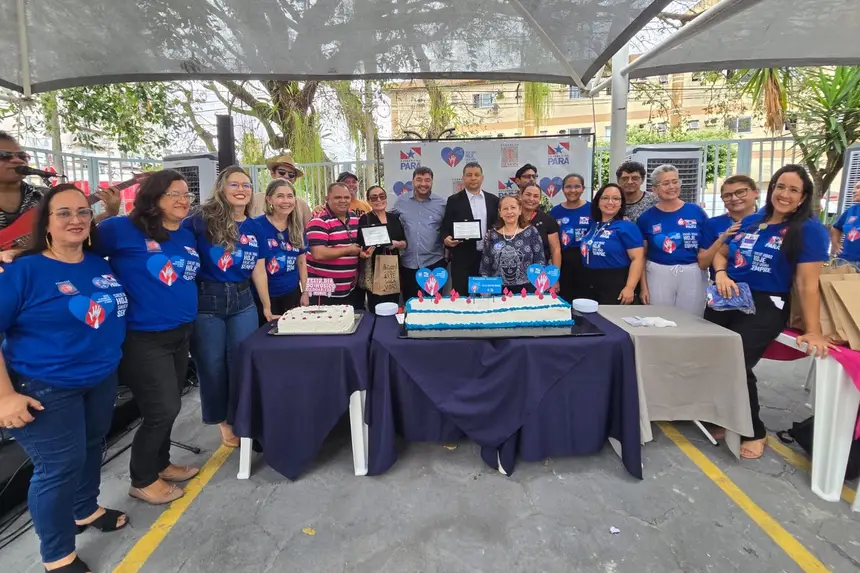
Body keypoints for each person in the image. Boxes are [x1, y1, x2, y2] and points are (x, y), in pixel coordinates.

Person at [0, 184, 128, 573]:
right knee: (58, 468)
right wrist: (5, 396)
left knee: (91, 447)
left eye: (82, 212)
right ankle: (56, 555)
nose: (76, 219)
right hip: (45, 386)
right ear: (47, 223)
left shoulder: (95, 262)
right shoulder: (23, 270)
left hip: (99, 378)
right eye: (63, 213)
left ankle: (84, 510)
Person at [708, 164, 833, 459]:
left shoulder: (810, 230)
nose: (785, 194)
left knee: (736, 361)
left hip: (767, 304)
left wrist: (813, 330)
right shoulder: (753, 221)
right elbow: (722, 252)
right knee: (713, 356)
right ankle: (727, 418)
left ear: (803, 197)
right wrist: (722, 273)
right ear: (771, 189)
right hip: (727, 297)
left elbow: (807, 283)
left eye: (793, 190)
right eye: (780, 186)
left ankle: (754, 430)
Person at [97, 170, 201, 506]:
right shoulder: (121, 229)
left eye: (186, 193)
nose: (183, 200)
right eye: (173, 193)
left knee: (171, 406)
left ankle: (161, 463)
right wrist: (107, 213)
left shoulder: (185, 234)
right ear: (152, 197)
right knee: (162, 409)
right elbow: (76, 246)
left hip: (180, 333)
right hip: (143, 338)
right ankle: (142, 479)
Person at [183, 166, 272, 449]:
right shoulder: (199, 221)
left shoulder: (255, 225)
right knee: (212, 365)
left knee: (241, 362)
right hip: (207, 301)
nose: (241, 190)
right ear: (221, 189)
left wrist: (266, 307)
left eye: (246, 185)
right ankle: (222, 420)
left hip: (244, 300)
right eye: (234, 185)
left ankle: (241, 415)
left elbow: (259, 268)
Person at [637, 164, 709, 315]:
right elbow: (641, 255)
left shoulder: (696, 212)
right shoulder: (646, 218)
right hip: (658, 271)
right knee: (659, 317)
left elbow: (706, 246)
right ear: (655, 189)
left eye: (675, 181)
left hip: (692, 271)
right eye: (665, 183)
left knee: (692, 318)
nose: (671, 186)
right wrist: (643, 287)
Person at [306, 182, 369, 307]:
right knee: (325, 323)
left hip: (348, 288)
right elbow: (318, 254)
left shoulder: (354, 218)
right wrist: (348, 250)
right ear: (327, 199)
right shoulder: (319, 221)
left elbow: (356, 246)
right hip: (323, 289)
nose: (343, 201)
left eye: (346, 197)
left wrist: (360, 252)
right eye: (337, 197)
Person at [580, 184, 645, 305]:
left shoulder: (627, 226)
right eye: (605, 198)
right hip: (589, 281)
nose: (610, 202)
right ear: (598, 201)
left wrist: (630, 287)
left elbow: (637, 258)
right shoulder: (594, 225)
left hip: (615, 282)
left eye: (616, 198)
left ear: (621, 203)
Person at [442, 162, 500, 294]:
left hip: (488, 257)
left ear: (482, 178)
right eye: (469, 175)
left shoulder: (494, 200)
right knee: (462, 296)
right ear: (463, 178)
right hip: (462, 257)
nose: (473, 178)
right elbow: (445, 226)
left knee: (487, 297)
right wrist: (446, 239)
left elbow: (499, 225)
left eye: (476, 175)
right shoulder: (453, 200)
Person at [390, 167, 447, 298]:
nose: (423, 184)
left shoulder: (442, 204)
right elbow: (390, 222)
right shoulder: (401, 202)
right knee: (411, 305)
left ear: (432, 182)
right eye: (419, 180)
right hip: (408, 264)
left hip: (434, 263)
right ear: (413, 181)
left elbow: (448, 228)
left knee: (434, 306)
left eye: (427, 180)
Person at [256, 179, 309, 318]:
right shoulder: (256, 226)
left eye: (290, 196)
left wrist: (305, 292)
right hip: (264, 297)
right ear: (269, 199)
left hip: (292, 294)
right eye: (280, 196)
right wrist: (266, 306)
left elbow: (302, 261)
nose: (286, 201)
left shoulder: (297, 227)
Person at [480, 195, 544, 292]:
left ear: (520, 210)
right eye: (505, 209)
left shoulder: (531, 232)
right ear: (500, 213)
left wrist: (539, 287)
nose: (509, 212)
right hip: (498, 290)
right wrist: (485, 290)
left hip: (527, 289)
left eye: (513, 208)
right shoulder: (492, 235)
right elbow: (485, 265)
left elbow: (540, 261)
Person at [698, 175, 760, 277]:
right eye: (727, 195)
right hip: (723, 286)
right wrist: (722, 239)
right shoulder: (713, 224)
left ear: (756, 192)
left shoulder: (769, 222)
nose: (734, 198)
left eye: (740, 192)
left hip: (761, 287)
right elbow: (703, 263)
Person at [359, 185, 408, 311]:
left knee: (394, 303)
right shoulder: (364, 219)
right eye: (374, 198)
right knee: (376, 306)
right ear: (368, 201)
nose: (379, 200)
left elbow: (404, 243)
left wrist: (396, 244)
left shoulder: (394, 218)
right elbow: (360, 244)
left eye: (382, 196)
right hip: (374, 267)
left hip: (393, 266)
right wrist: (365, 251)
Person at [550, 173, 591, 301]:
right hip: (563, 261)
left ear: (583, 189)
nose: (572, 190)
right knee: (565, 299)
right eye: (568, 187)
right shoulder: (555, 212)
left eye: (577, 186)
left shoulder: (593, 209)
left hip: (587, 261)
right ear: (563, 189)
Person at [256, 153, 312, 226]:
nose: (286, 176)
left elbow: (309, 230)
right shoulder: (256, 200)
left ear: (294, 179)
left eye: (291, 174)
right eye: (282, 172)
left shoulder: (302, 205)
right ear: (273, 173)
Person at [519, 183, 561, 268]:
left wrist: (555, 275)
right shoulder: (511, 218)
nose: (531, 199)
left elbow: (555, 250)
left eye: (536, 196)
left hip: (540, 273)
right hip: (514, 274)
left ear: (540, 199)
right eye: (528, 195)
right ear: (520, 196)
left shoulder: (548, 220)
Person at [830, 180, 860, 263]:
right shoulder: (851, 211)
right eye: (854, 188)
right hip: (846, 261)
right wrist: (835, 244)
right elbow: (836, 228)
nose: (853, 191)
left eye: (858, 188)